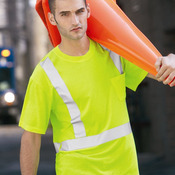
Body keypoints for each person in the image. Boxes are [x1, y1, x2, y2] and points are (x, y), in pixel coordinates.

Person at [19, 0, 175, 174]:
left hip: (124, 168)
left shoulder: (115, 54)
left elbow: (165, 73)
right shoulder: (44, 73)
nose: (75, 21)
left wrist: (171, 60)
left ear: (88, 11)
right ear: (52, 18)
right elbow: (31, 138)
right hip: (77, 170)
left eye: (79, 11)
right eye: (65, 14)